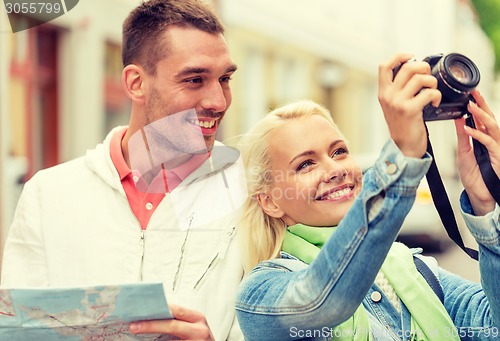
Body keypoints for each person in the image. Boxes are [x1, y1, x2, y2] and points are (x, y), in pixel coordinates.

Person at [1, 0, 247, 340]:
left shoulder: (253, 195)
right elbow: (16, 331)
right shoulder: (48, 195)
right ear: (136, 83)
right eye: (194, 79)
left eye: (225, 79)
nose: (218, 101)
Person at [235, 53, 500, 340]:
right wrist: (403, 155)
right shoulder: (261, 294)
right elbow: (321, 301)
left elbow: (492, 327)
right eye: (305, 164)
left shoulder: (416, 271)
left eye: (339, 152)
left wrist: (485, 203)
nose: (335, 169)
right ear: (270, 201)